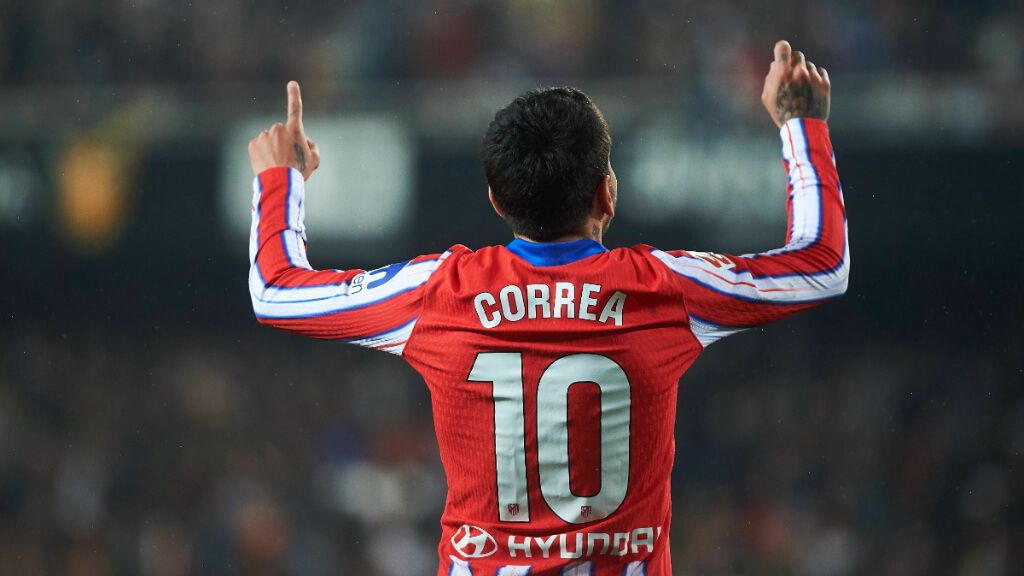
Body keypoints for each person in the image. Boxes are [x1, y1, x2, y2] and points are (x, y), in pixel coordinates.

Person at [246, 39, 847, 575]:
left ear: (496, 201)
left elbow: (276, 291)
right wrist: (801, 125)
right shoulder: (663, 289)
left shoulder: (440, 293)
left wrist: (282, 180)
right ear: (607, 194)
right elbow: (821, 264)